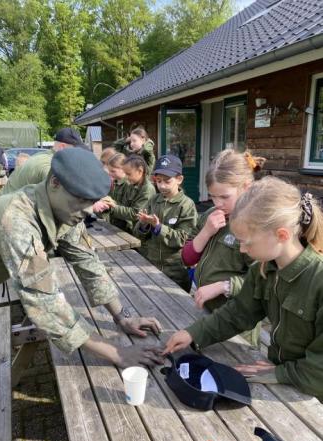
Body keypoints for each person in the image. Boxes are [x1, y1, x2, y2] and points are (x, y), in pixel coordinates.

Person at [0, 148, 164, 370]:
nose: (89, 210)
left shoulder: (64, 210)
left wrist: (122, 317)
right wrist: (117, 353)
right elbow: (45, 303)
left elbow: (88, 263)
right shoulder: (17, 220)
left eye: (93, 201)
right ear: (54, 183)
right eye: (82, 199)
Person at [164, 176, 323, 401]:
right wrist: (194, 333)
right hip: (284, 379)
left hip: (311, 396)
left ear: (282, 235)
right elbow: (238, 313)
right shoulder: (264, 269)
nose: (242, 249)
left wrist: (279, 373)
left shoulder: (318, 279)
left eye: (248, 242)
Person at [181, 149, 266, 347]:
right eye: (212, 196)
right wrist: (206, 232)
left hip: (237, 323)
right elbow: (186, 258)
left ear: (246, 187)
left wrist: (224, 286)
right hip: (206, 310)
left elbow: (263, 279)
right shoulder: (211, 214)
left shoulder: (255, 226)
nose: (218, 203)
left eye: (224, 197)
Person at [134, 154, 197, 292]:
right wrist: (143, 225)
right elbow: (139, 235)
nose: (162, 185)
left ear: (179, 179)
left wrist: (158, 227)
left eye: (167, 181)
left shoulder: (186, 205)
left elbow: (185, 239)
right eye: (158, 181)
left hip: (176, 271)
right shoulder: (153, 200)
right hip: (151, 266)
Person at [0, 127, 87, 195]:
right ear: (62, 147)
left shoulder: (46, 155)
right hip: (6, 212)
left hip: (9, 205)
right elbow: (60, 194)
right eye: (75, 150)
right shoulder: (48, 164)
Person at [98, 155, 156, 234]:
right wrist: (110, 202)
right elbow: (125, 206)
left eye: (128, 174)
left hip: (139, 234)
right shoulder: (132, 185)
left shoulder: (147, 190)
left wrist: (113, 206)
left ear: (140, 171)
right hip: (129, 230)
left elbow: (135, 214)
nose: (126, 177)